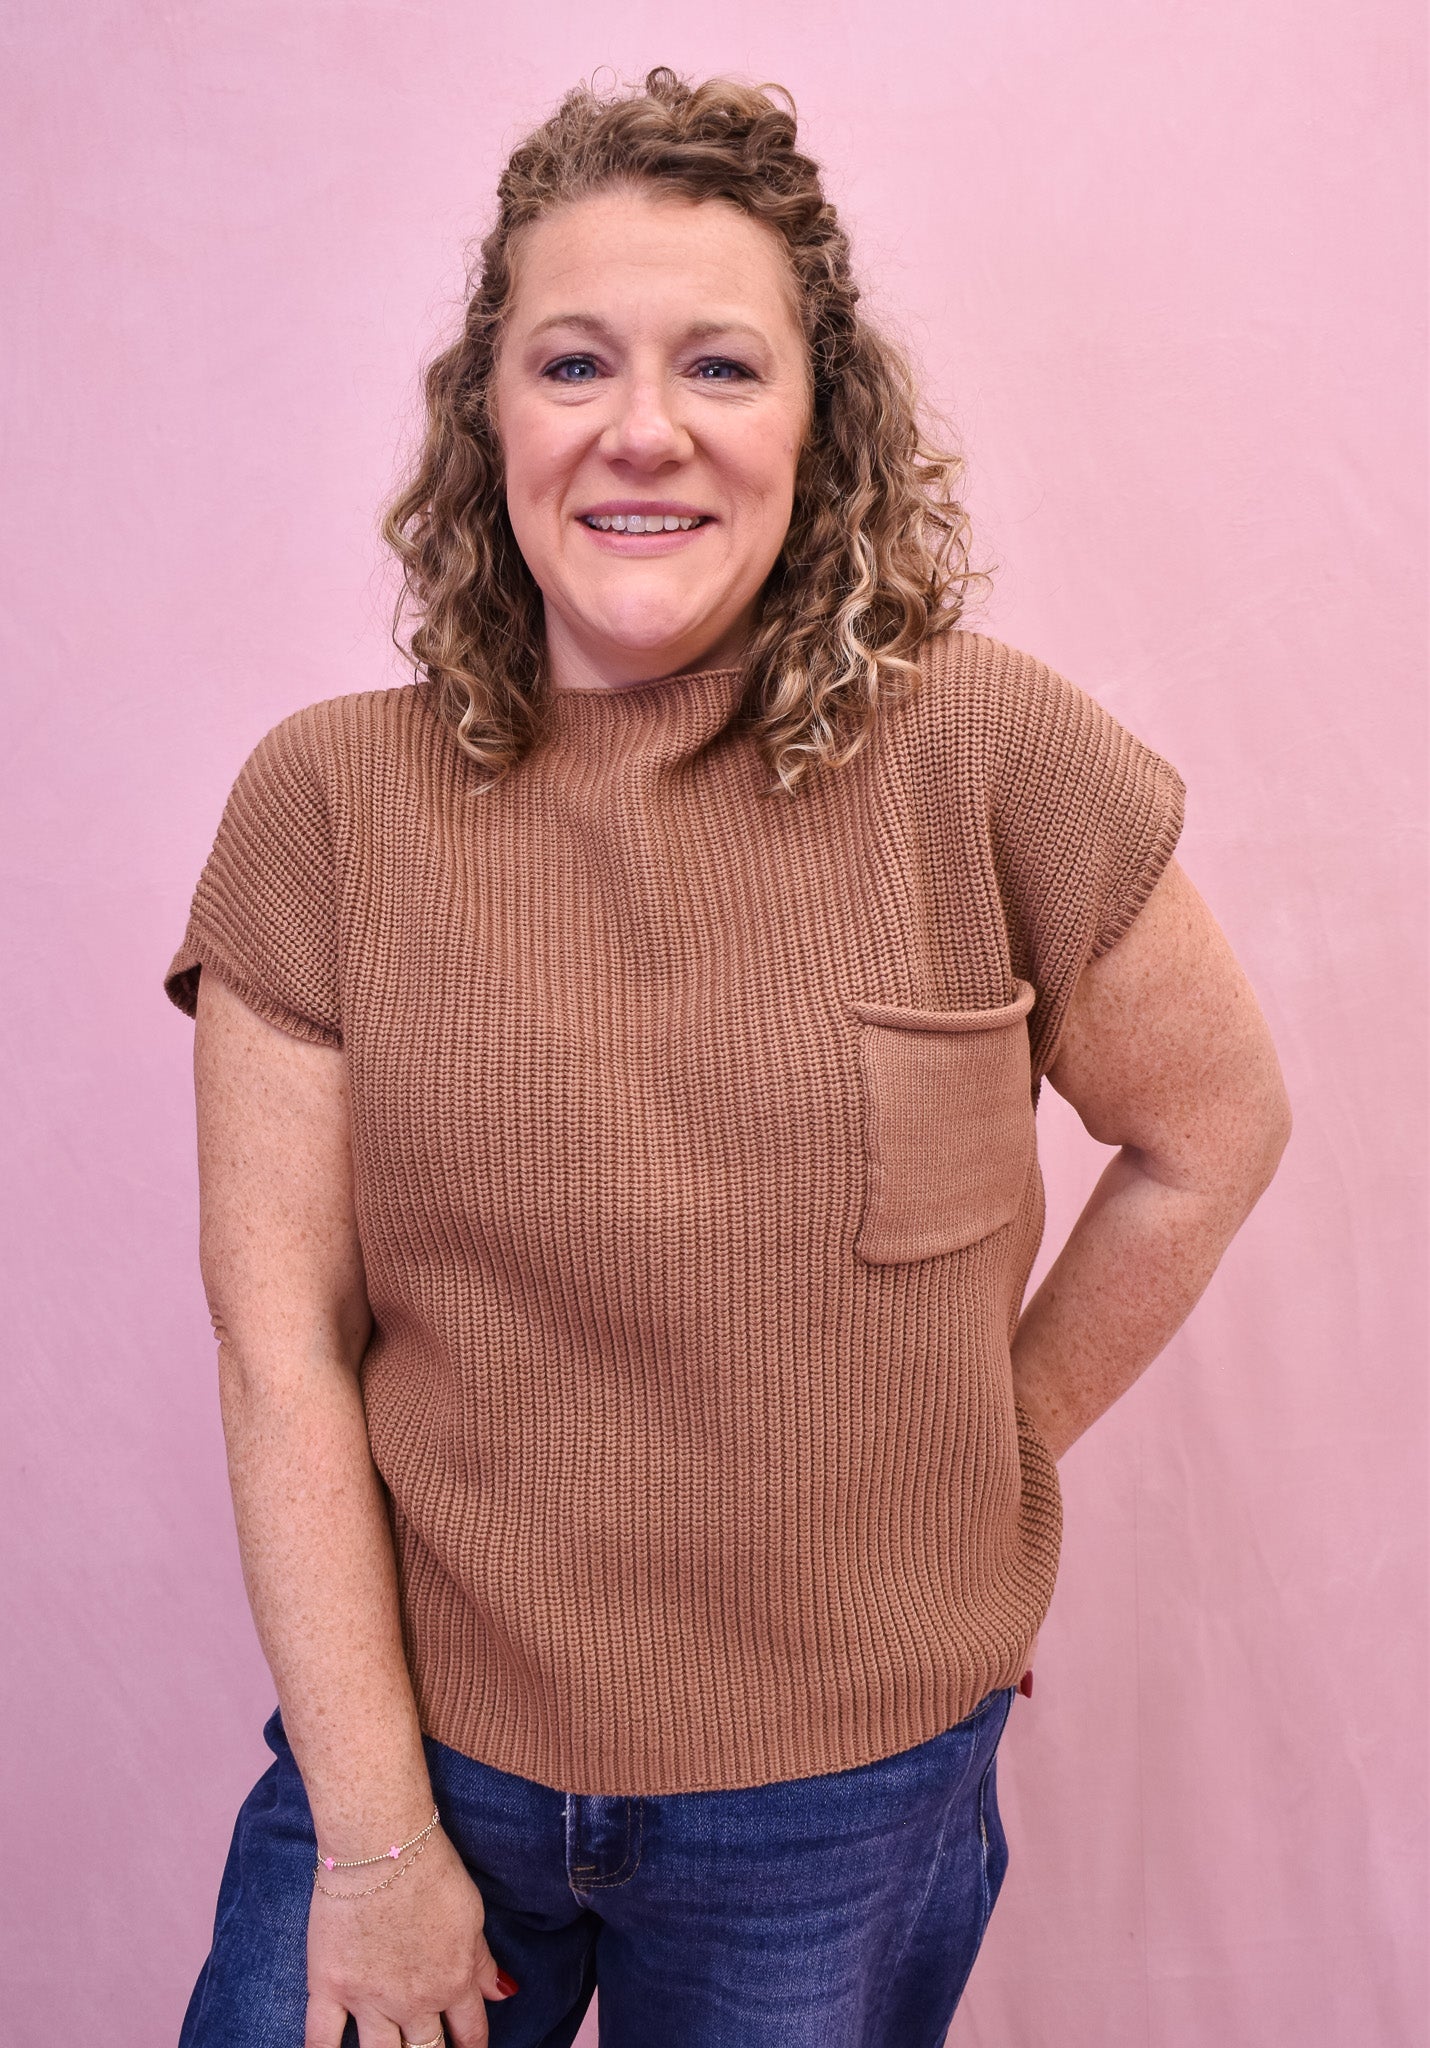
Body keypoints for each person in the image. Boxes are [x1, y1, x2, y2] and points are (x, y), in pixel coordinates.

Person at [160, 67, 1291, 2048]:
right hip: (427, 1756)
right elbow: (280, 1348)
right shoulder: (324, 805)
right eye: (574, 360)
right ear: (487, 416)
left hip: (844, 1796)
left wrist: (990, 1452)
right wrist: (374, 1839)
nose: (643, 429)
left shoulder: (992, 758)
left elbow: (1214, 1132)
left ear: (821, 427)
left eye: (722, 366)